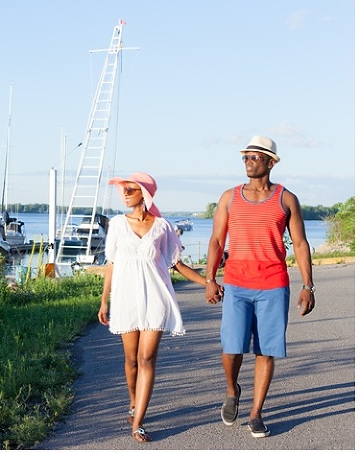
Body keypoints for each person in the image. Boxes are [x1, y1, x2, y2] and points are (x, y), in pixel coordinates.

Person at [204, 135, 315, 439]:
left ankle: (256, 414)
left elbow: (301, 243)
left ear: (270, 162)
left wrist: (308, 285)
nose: (248, 162)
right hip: (237, 284)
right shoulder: (230, 197)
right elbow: (216, 240)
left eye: (254, 157)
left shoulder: (286, 199)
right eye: (245, 157)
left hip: (273, 283)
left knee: (266, 350)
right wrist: (210, 278)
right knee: (232, 346)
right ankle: (232, 388)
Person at [98, 172, 211, 443]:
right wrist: (104, 300)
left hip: (156, 300)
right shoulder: (116, 224)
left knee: (147, 359)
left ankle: (138, 422)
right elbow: (111, 263)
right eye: (124, 189)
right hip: (125, 299)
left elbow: (177, 264)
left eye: (131, 189)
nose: (125, 193)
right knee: (131, 361)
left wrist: (208, 282)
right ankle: (134, 403)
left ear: (145, 194)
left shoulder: (163, 227)